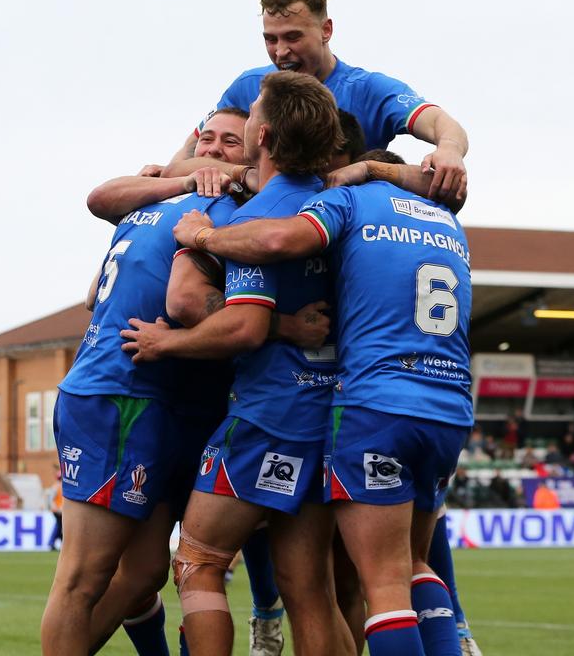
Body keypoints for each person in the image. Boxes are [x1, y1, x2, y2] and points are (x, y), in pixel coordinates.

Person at [154, 135, 474, 656]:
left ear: (266, 136)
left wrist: (203, 235)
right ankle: (456, 633)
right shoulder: (441, 222)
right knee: (339, 584)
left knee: (199, 562)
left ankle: (263, 616)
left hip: (324, 408)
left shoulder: (331, 203)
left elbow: (274, 248)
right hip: (441, 401)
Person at [121, 70, 356, 656]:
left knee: (198, 563)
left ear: (265, 136)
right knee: (312, 592)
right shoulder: (337, 205)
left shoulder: (252, 219)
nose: (242, 121)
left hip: (270, 416)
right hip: (331, 417)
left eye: (250, 114)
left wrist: (164, 343)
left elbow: (237, 322)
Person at [39, 109, 256, 656]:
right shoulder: (193, 204)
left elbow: (93, 293)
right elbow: (180, 300)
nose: (213, 149)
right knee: (82, 578)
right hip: (119, 393)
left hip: (161, 401)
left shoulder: (182, 205)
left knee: (143, 573)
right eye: (205, 138)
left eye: (231, 141)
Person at [174, 0, 469, 202]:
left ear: (326, 30)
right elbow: (187, 156)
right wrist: (162, 178)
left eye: (293, 37)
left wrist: (449, 150)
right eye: (271, 39)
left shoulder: (368, 89)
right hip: (262, 227)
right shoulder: (249, 86)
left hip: (343, 234)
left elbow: (440, 122)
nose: (280, 52)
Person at [46, 466, 64, 551]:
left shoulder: (57, 486)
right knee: (60, 526)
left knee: (59, 526)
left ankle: (53, 542)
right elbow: (51, 500)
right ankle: (52, 542)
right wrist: (56, 508)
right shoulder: (57, 487)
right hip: (57, 510)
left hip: (59, 510)